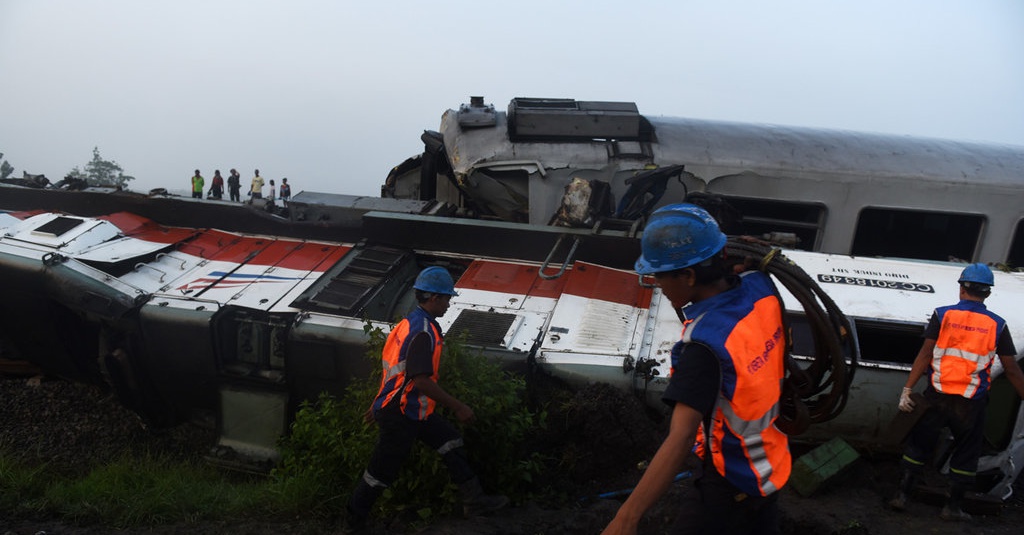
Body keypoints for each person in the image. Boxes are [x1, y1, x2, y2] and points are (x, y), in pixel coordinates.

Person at [602, 203, 790, 535]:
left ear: (688, 275)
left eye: (659, 274)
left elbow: (681, 437)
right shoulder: (760, 286)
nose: (657, 284)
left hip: (728, 481)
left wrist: (627, 518)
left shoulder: (704, 348)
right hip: (769, 466)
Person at [345, 266, 508, 530]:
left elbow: (393, 371)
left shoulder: (409, 323)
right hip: (401, 412)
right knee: (381, 472)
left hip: (409, 409)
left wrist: (378, 404)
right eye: (446, 299)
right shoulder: (423, 331)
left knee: (450, 441)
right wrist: (459, 406)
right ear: (433, 298)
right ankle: (355, 520)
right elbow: (419, 379)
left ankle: (475, 502)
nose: (448, 304)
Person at [889, 263, 1024, 521]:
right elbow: (1012, 370)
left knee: (919, 444)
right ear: (988, 293)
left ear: (962, 288)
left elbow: (925, 354)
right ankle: (952, 508)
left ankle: (901, 496)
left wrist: (907, 389)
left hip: (937, 395)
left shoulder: (942, 316)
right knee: (967, 453)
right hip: (971, 402)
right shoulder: (998, 325)